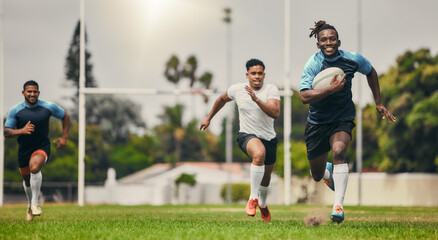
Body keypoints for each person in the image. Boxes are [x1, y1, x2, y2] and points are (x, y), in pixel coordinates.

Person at [300, 21, 396, 223]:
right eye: (324, 40)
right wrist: (329, 90)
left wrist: (378, 102)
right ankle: (326, 171)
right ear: (318, 44)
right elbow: (304, 96)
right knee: (317, 175)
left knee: (339, 152)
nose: (328, 42)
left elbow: (371, 71)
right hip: (317, 123)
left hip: (342, 118)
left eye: (332, 39)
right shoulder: (313, 64)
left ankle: (338, 206)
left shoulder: (352, 59)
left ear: (338, 41)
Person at [200, 59, 280, 222]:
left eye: (260, 73)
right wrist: (209, 118)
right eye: (253, 73)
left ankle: (263, 204)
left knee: (266, 178)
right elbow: (222, 99)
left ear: (264, 75)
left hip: (269, 138)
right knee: (259, 154)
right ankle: (252, 198)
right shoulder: (237, 89)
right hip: (247, 135)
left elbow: (275, 112)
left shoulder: (271, 89)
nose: (257, 76)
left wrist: (257, 100)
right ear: (247, 75)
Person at [4, 80, 70, 221]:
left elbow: (65, 116)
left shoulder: (48, 107)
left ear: (38, 93)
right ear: (23, 93)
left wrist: (64, 137)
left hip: (42, 146)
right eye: (29, 91)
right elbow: (6, 132)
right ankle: (29, 204)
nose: (32, 94)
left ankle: (35, 203)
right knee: (27, 181)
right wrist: (22, 130)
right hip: (24, 150)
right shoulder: (16, 110)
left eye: (35, 91)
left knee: (35, 167)